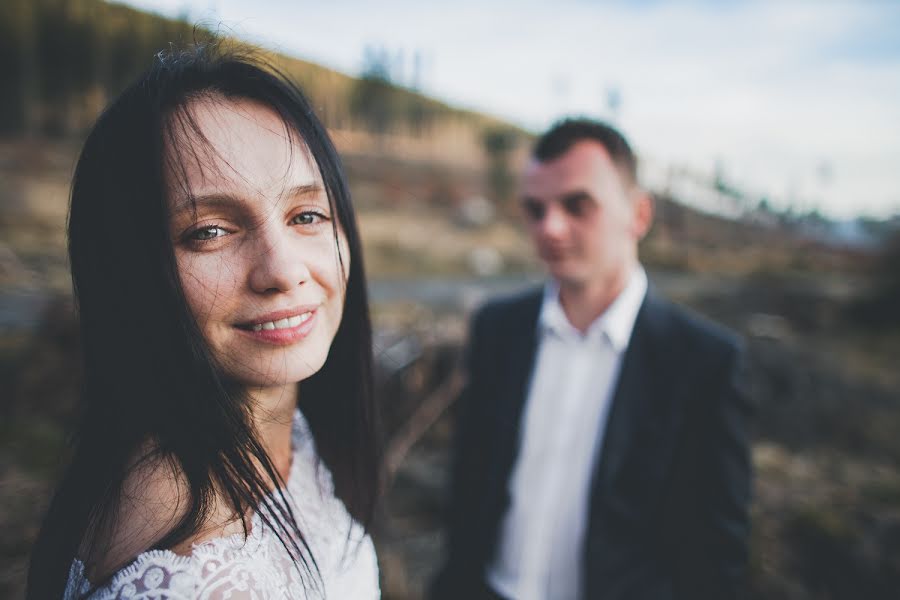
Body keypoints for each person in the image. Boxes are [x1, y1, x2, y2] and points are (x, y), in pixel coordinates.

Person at [27, 42, 380, 599]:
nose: (283, 271)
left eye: (306, 215)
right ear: (129, 271)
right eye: (210, 231)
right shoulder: (193, 579)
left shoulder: (277, 430)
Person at [433, 118, 753, 600]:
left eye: (577, 205)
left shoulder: (704, 362)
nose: (551, 227)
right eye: (535, 209)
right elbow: (469, 487)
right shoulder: (497, 329)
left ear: (638, 214)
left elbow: (716, 553)